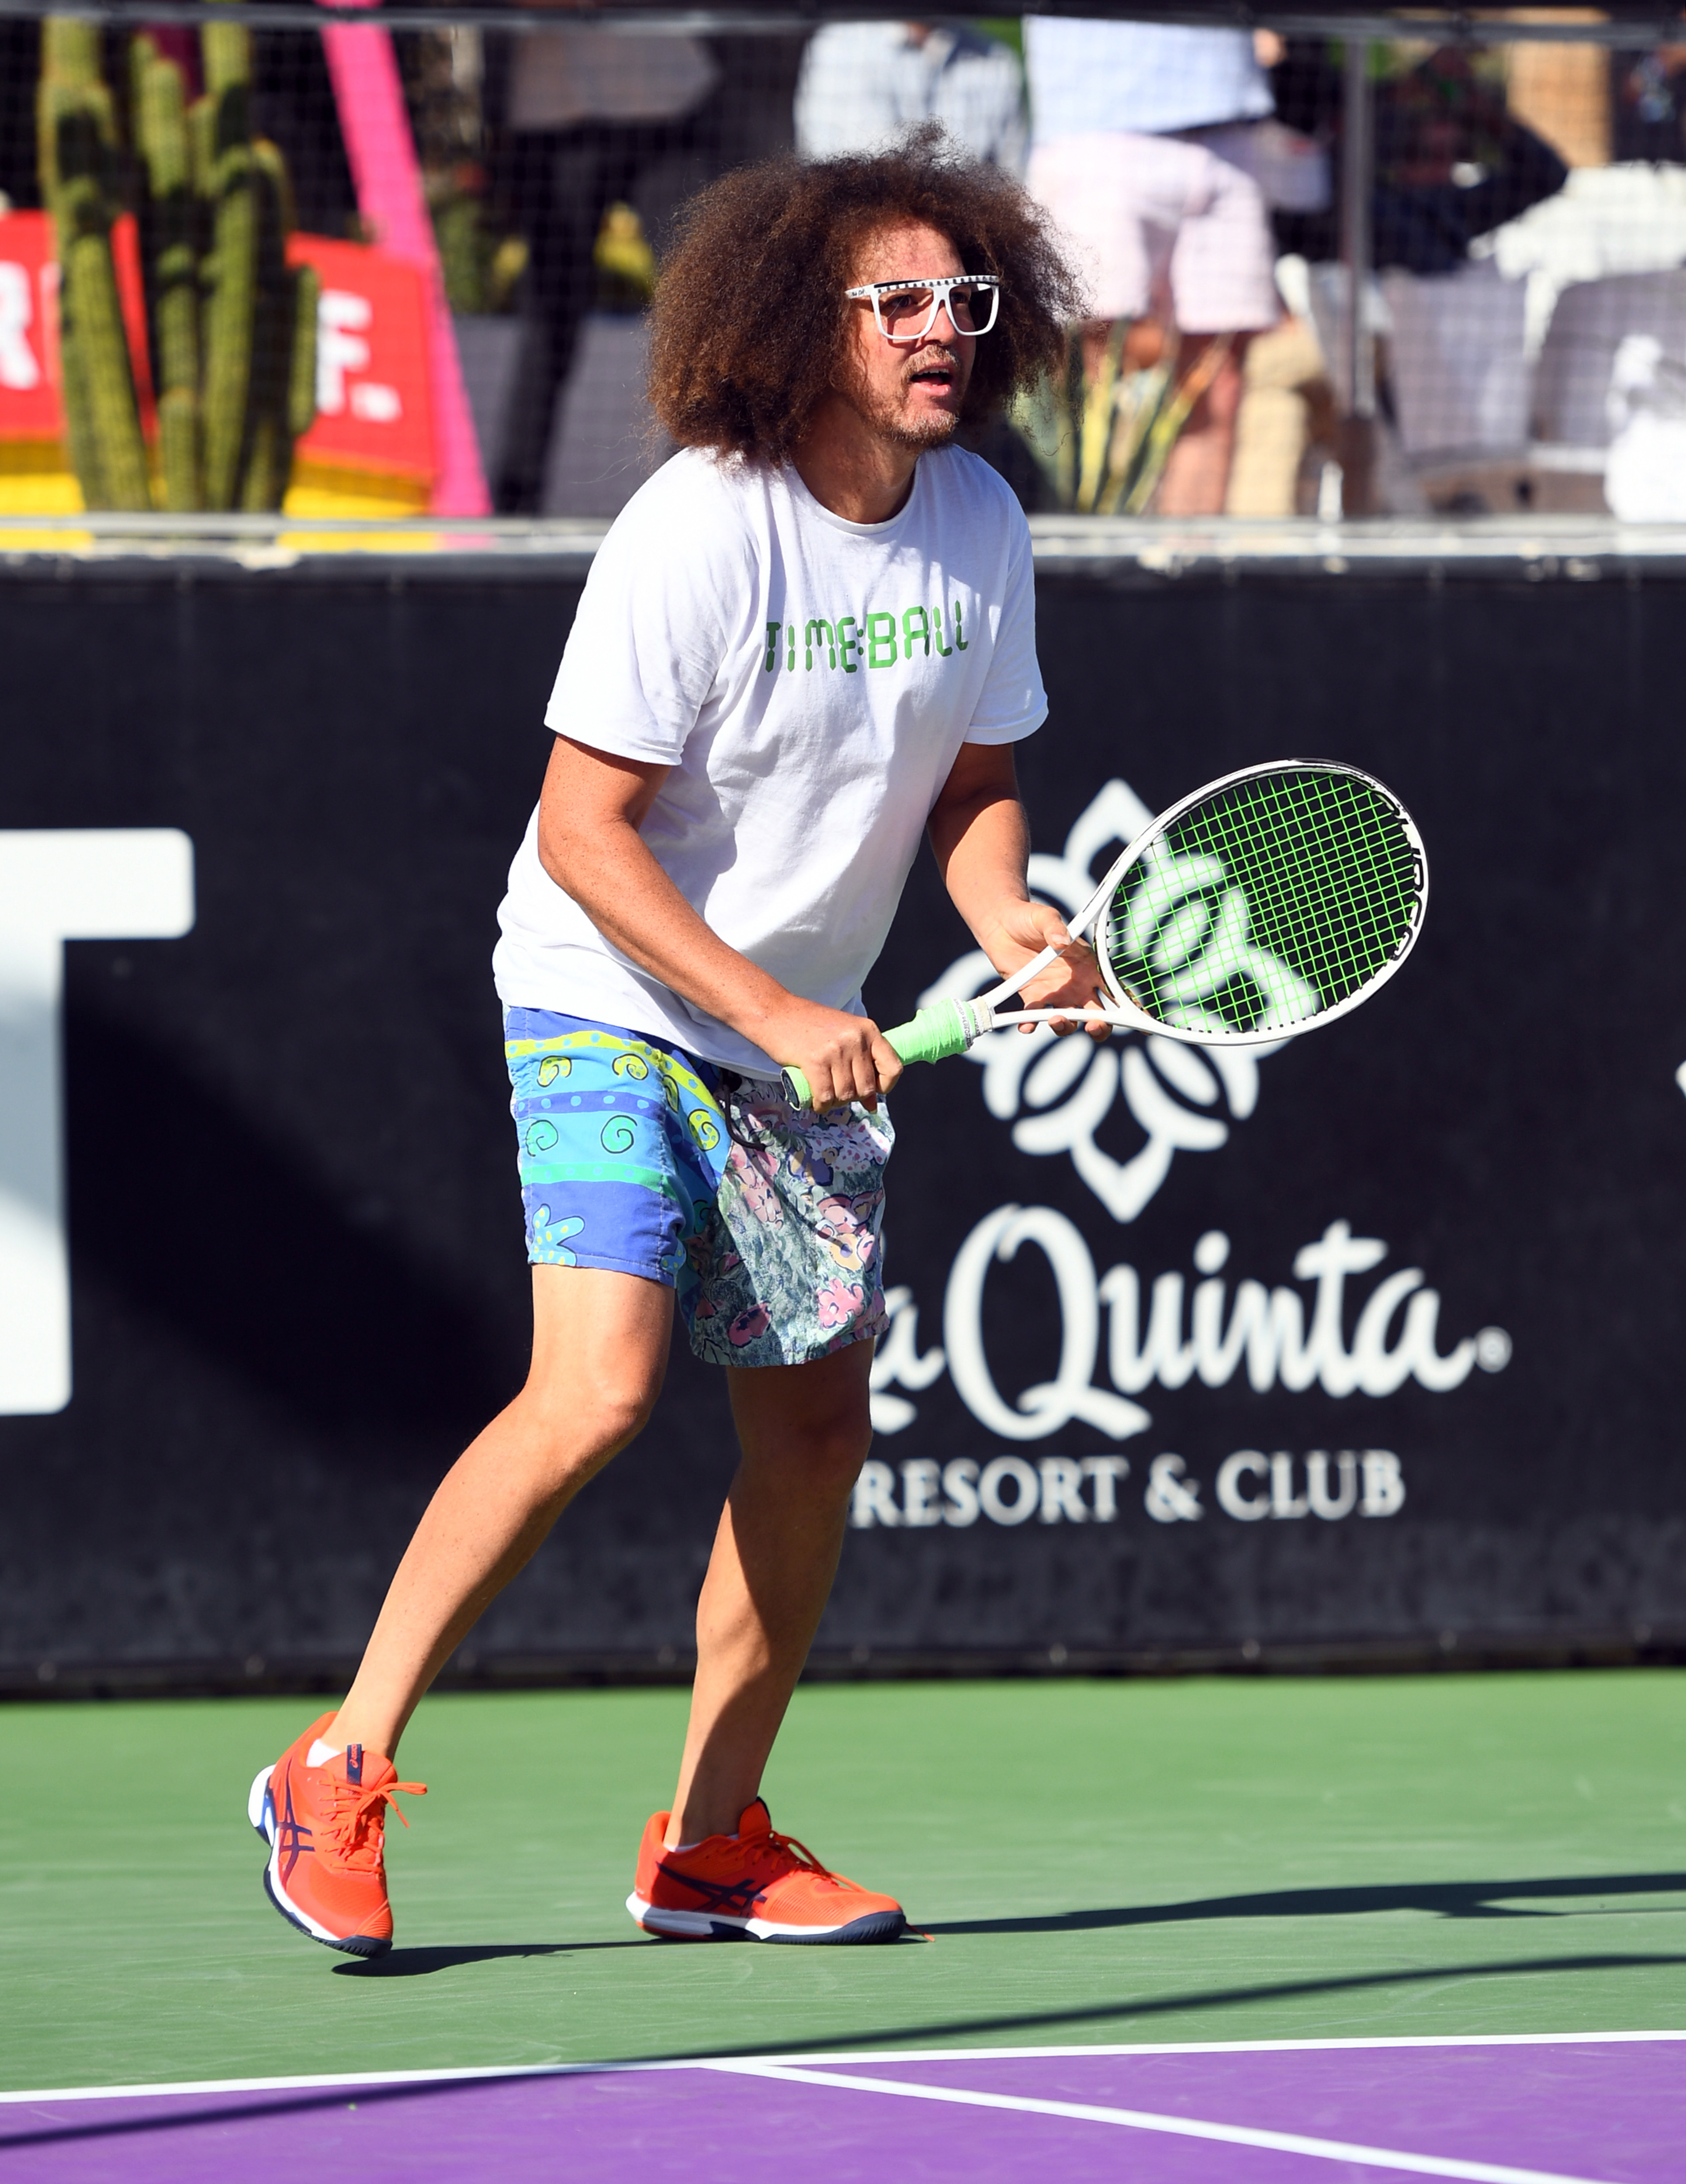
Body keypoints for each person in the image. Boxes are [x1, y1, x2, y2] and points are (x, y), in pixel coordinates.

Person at [248, 130, 1096, 1957]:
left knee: (811, 1434)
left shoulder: (981, 523)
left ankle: (708, 1840)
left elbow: (971, 777)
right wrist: (778, 1008)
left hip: (800, 1037)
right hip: (608, 994)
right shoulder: (702, 524)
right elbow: (581, 830)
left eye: (960, 298)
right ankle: (334, 1761)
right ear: (807, 323)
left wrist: (1007, 915)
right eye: (895, 305)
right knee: (601, 1389)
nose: (937, 330)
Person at [1022, 17, 1282, 515]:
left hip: (1232, 129)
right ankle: (1076, 567)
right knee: (1087, 363)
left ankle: (1180, 569)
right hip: (1093, 123)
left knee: (1217, 374)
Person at [794, 20, 1025, 173]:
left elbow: (1010, 180)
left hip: (967, 240)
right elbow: (840, 173)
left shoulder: (996, 62)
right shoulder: (837, 47)